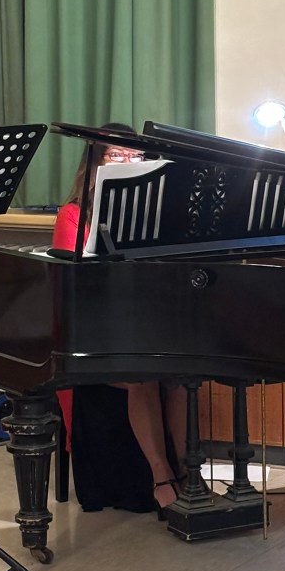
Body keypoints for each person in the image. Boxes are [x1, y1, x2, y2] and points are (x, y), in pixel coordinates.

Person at [53, 123, 187, 515]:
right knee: (142, 372)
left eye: (135, 155)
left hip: (142, 317)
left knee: (182, 373)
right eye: (116, 154)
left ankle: (185, 472)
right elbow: (74, 287)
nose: (128, 162)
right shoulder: (73, 215)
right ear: (95, 164)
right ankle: (160, 476)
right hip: (94, 329)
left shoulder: (156, 214)